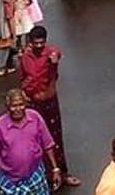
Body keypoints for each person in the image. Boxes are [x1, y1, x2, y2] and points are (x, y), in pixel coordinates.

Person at [19, 27, 82, 188]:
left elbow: (56, 53)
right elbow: (23, 77)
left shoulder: (50, 53)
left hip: (50, 102)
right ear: (30, 43)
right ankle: (44, 175)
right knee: (37, 139)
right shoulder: (25, 57)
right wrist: (25, 92)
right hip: (34, 104)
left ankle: (62, 173)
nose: (39, 46)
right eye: (35, 43)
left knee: (55, 138)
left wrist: (54, 60)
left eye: (42, 43)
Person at [0, 89, 63, 195]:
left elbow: (48, 145)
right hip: (10, 179)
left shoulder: (35, 117)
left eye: (21, 105)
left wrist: (55, 169)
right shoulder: (0, 125)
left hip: (34, 174)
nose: (17, 109)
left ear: (25, 103)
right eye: (13, 106)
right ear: (7, 106)